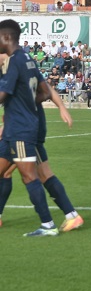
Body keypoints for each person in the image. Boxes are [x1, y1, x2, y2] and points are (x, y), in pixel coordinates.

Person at [0, 77, 84, 232]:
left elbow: (47, 89)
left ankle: (50, 223)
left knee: (35, 175)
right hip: (21, 128)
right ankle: (71, 215)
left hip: (24, 130)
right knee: (32, 173)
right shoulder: (16, 67)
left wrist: (61, 107)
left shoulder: (15, 67)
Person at [0, 19, 58, 236]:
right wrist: (27, 101)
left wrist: (22, 104)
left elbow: (2, 95)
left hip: (21, 130)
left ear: (6, 38)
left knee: (29, 177)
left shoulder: (14, 61)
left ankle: (48, 225)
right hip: (13, 130)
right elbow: (44, 92)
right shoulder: (28, 60)